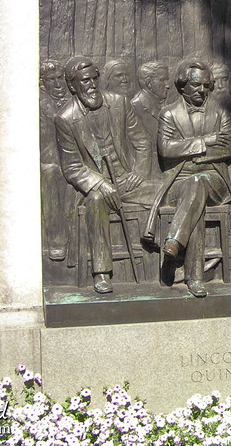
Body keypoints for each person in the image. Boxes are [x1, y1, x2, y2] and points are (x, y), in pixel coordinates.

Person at [55, 56, 157, 294]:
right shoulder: (65, 118)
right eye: (84, 81)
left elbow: (142, 142)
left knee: (166, 193)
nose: (91, 85)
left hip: (128, 181)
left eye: (94, 78)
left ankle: (168, 259)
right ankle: (102, 272)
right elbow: (71, 167)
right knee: (97, 201)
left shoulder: (119, 103)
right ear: (72, 86)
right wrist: (100, 184)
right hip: (95, 188)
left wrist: (139, 172)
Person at [145, 59, 231, 298]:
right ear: (182, 85)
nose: (202, 90)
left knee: (197, 186)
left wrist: (193, 157)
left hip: (215, 180)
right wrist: (205, 142)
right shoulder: (169, 114)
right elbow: (166, 149)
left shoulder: (220, 113)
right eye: (196, 85)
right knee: (195, 198)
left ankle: (174, 243)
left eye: (206, 86)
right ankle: (195, 277)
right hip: (177, 183)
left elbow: (226, 151)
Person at [40, 60, 72, 262]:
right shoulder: (39, 104)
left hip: (77, 160)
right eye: (52, 80)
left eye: (61, 78)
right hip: (52, 160)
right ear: (43, 84)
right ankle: (56, 241)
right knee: (51, 174)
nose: (58, 84)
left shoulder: (76, 101)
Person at [131, 61, 171, 178]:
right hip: (151, 173)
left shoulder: (163, 105)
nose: (167, 85)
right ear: (149, 83)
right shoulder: (135, 108)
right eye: (162, 80)